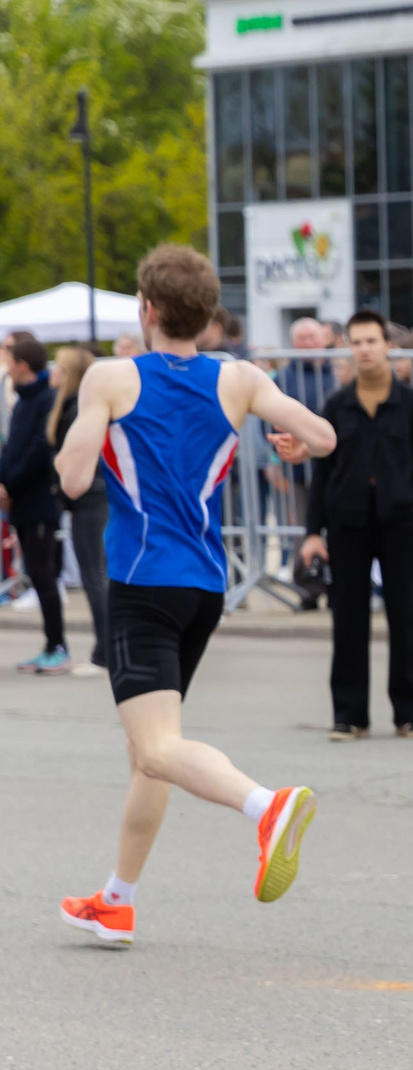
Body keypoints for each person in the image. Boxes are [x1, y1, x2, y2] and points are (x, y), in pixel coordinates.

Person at [50, 244, 338, 945]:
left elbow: (74, 480)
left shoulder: (112, 377)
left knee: (155, 748)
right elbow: (324, 436)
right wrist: (293, 448)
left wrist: (84, 425)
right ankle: (118, 899)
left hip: (143, 583)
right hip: (206, 586)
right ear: (209, 316)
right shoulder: (238, 376)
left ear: (146, 309)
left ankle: (266, 806)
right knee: (151, 748)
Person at [287, 309, 413, 742]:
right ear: (348, 348)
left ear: (388, 346)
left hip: (397, 524)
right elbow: (322, 474)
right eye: (356, 342)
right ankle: (349, 715)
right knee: (348, 619)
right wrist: (314, 533)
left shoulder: (412, 405)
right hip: (347, 525)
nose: (365, 349)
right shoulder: (336, 405)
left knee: (404, 618)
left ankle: (411, 714)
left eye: (372, 341)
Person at [1, 333, 67, 673]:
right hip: (22, 500)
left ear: (23, 364)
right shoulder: (24, 400)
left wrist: (9, 485)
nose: (7, 368)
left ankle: (58, 646)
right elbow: (12, 449)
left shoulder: (44, 399)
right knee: (36, 574)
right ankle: (50, 644)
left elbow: (40, 450)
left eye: (10, 362)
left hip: (39, 501)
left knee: (43, 575)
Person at [44, 346, 111, 674]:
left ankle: (105, 652)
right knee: (97, 574)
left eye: (58, 367)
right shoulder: (75, 408)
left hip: (90, 497)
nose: (52, 372)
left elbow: (74, 461)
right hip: (91, 496)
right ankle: (108, 648)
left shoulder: (76, 410)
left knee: (94, 575)